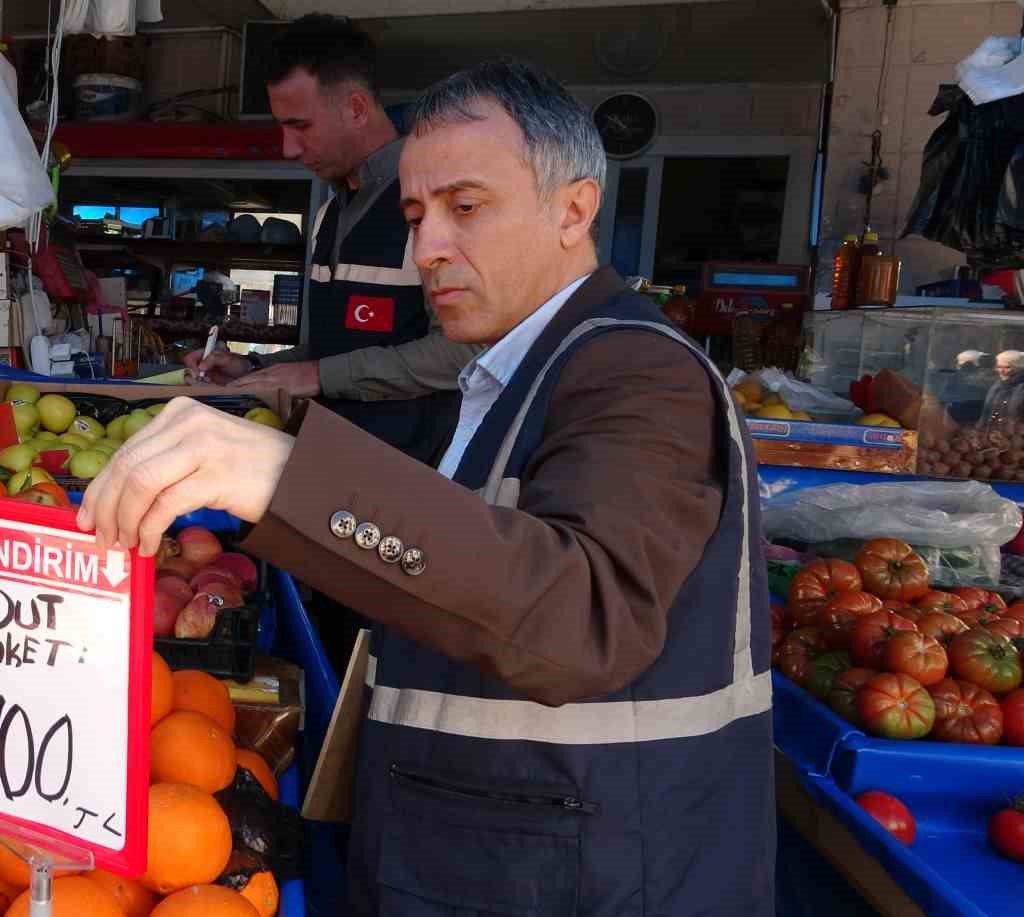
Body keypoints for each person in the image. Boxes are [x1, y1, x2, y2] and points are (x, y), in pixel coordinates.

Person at [82, 56, 774, 915]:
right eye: (415, 216)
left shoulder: (638, 373)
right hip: (502, 854)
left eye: (466, 208)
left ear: (575, 209)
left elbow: (586, 613)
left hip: (581, 877)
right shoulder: (520, 370)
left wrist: (292, 479)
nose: (427, 250)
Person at [184, 14, 480, 466]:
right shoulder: (328, 215)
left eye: (301, 126)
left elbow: (464, 353)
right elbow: (326, 348)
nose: (288, 148)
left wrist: (321, 375)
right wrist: (255, 369)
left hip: (410, 483)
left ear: (357, 109)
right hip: (327, 468)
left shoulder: (434, 207)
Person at [980, 350, 1024, 430]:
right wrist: (978, 430)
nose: (1002, 371)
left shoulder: (1021, 387)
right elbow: (986, 413)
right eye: (999, 367)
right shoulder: (996, 386)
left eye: (1007, 367)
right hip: (992, 435)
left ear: (1019, 368)